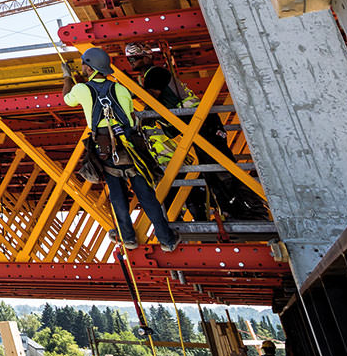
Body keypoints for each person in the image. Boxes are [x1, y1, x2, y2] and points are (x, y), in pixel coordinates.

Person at [127, 42, 268, 221]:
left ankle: (251, 211)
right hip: (198, 126)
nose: (131, 61)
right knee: (212, 172)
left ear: (147, 57)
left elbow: (151, 98)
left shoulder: (155, 73)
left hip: (203, 123)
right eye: (129, 58)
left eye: (135, 57)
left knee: (222, 168)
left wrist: (126, 91)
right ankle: (232, 212)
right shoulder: (148, 77)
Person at [63, 45, 180, 251]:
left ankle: (128, 238)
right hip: (130, 146)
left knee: (117, 196)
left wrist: (67, 78)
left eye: (84, 65)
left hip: (105, 149)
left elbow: (67, 99)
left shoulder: (82, 89)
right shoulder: (120, 88)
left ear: (90, 68)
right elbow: (129, 116)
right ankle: (167, 239)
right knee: (146, 194)